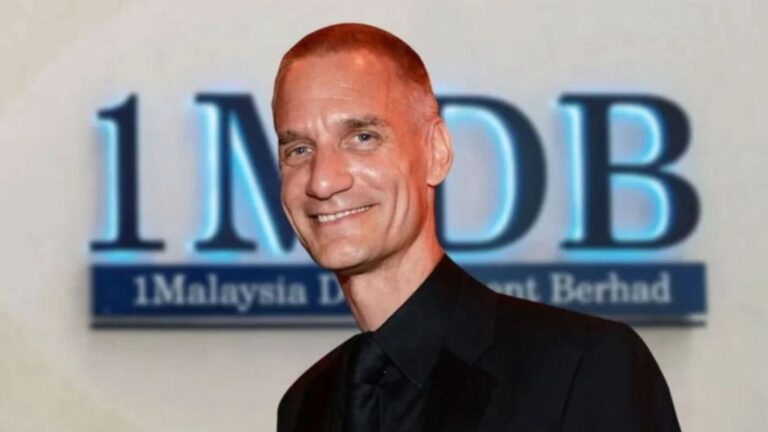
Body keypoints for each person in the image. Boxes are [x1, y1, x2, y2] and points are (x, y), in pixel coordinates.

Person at [273, 23, 681, 432]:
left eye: (362, 137)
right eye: (299, 149)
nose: (322, 181)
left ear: (437, 152)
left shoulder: (581, 367)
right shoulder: (308, 403)